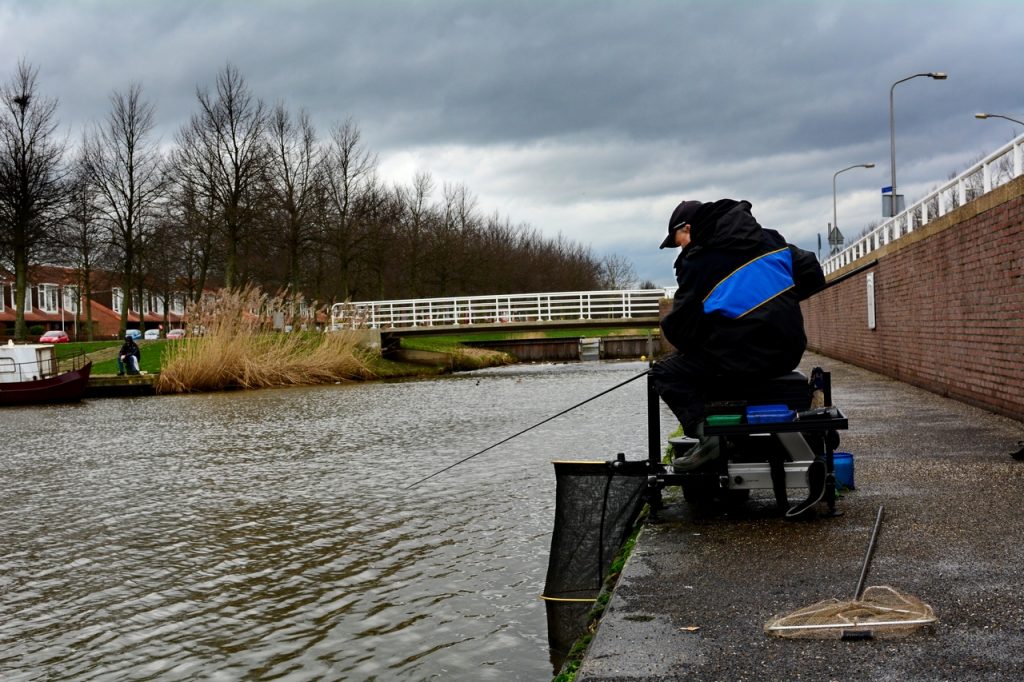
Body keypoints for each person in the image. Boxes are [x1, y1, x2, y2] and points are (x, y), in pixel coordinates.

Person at [651, 199, 825, 468]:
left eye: (679, 240)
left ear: (688, 228)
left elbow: (682, 328)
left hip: (743, 358)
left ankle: (710, 441)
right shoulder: (769, 239)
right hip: (789, 352)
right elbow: (813, 272)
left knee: (665, 373)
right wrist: (776, 301)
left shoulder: (698, 261)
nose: (681, 248)